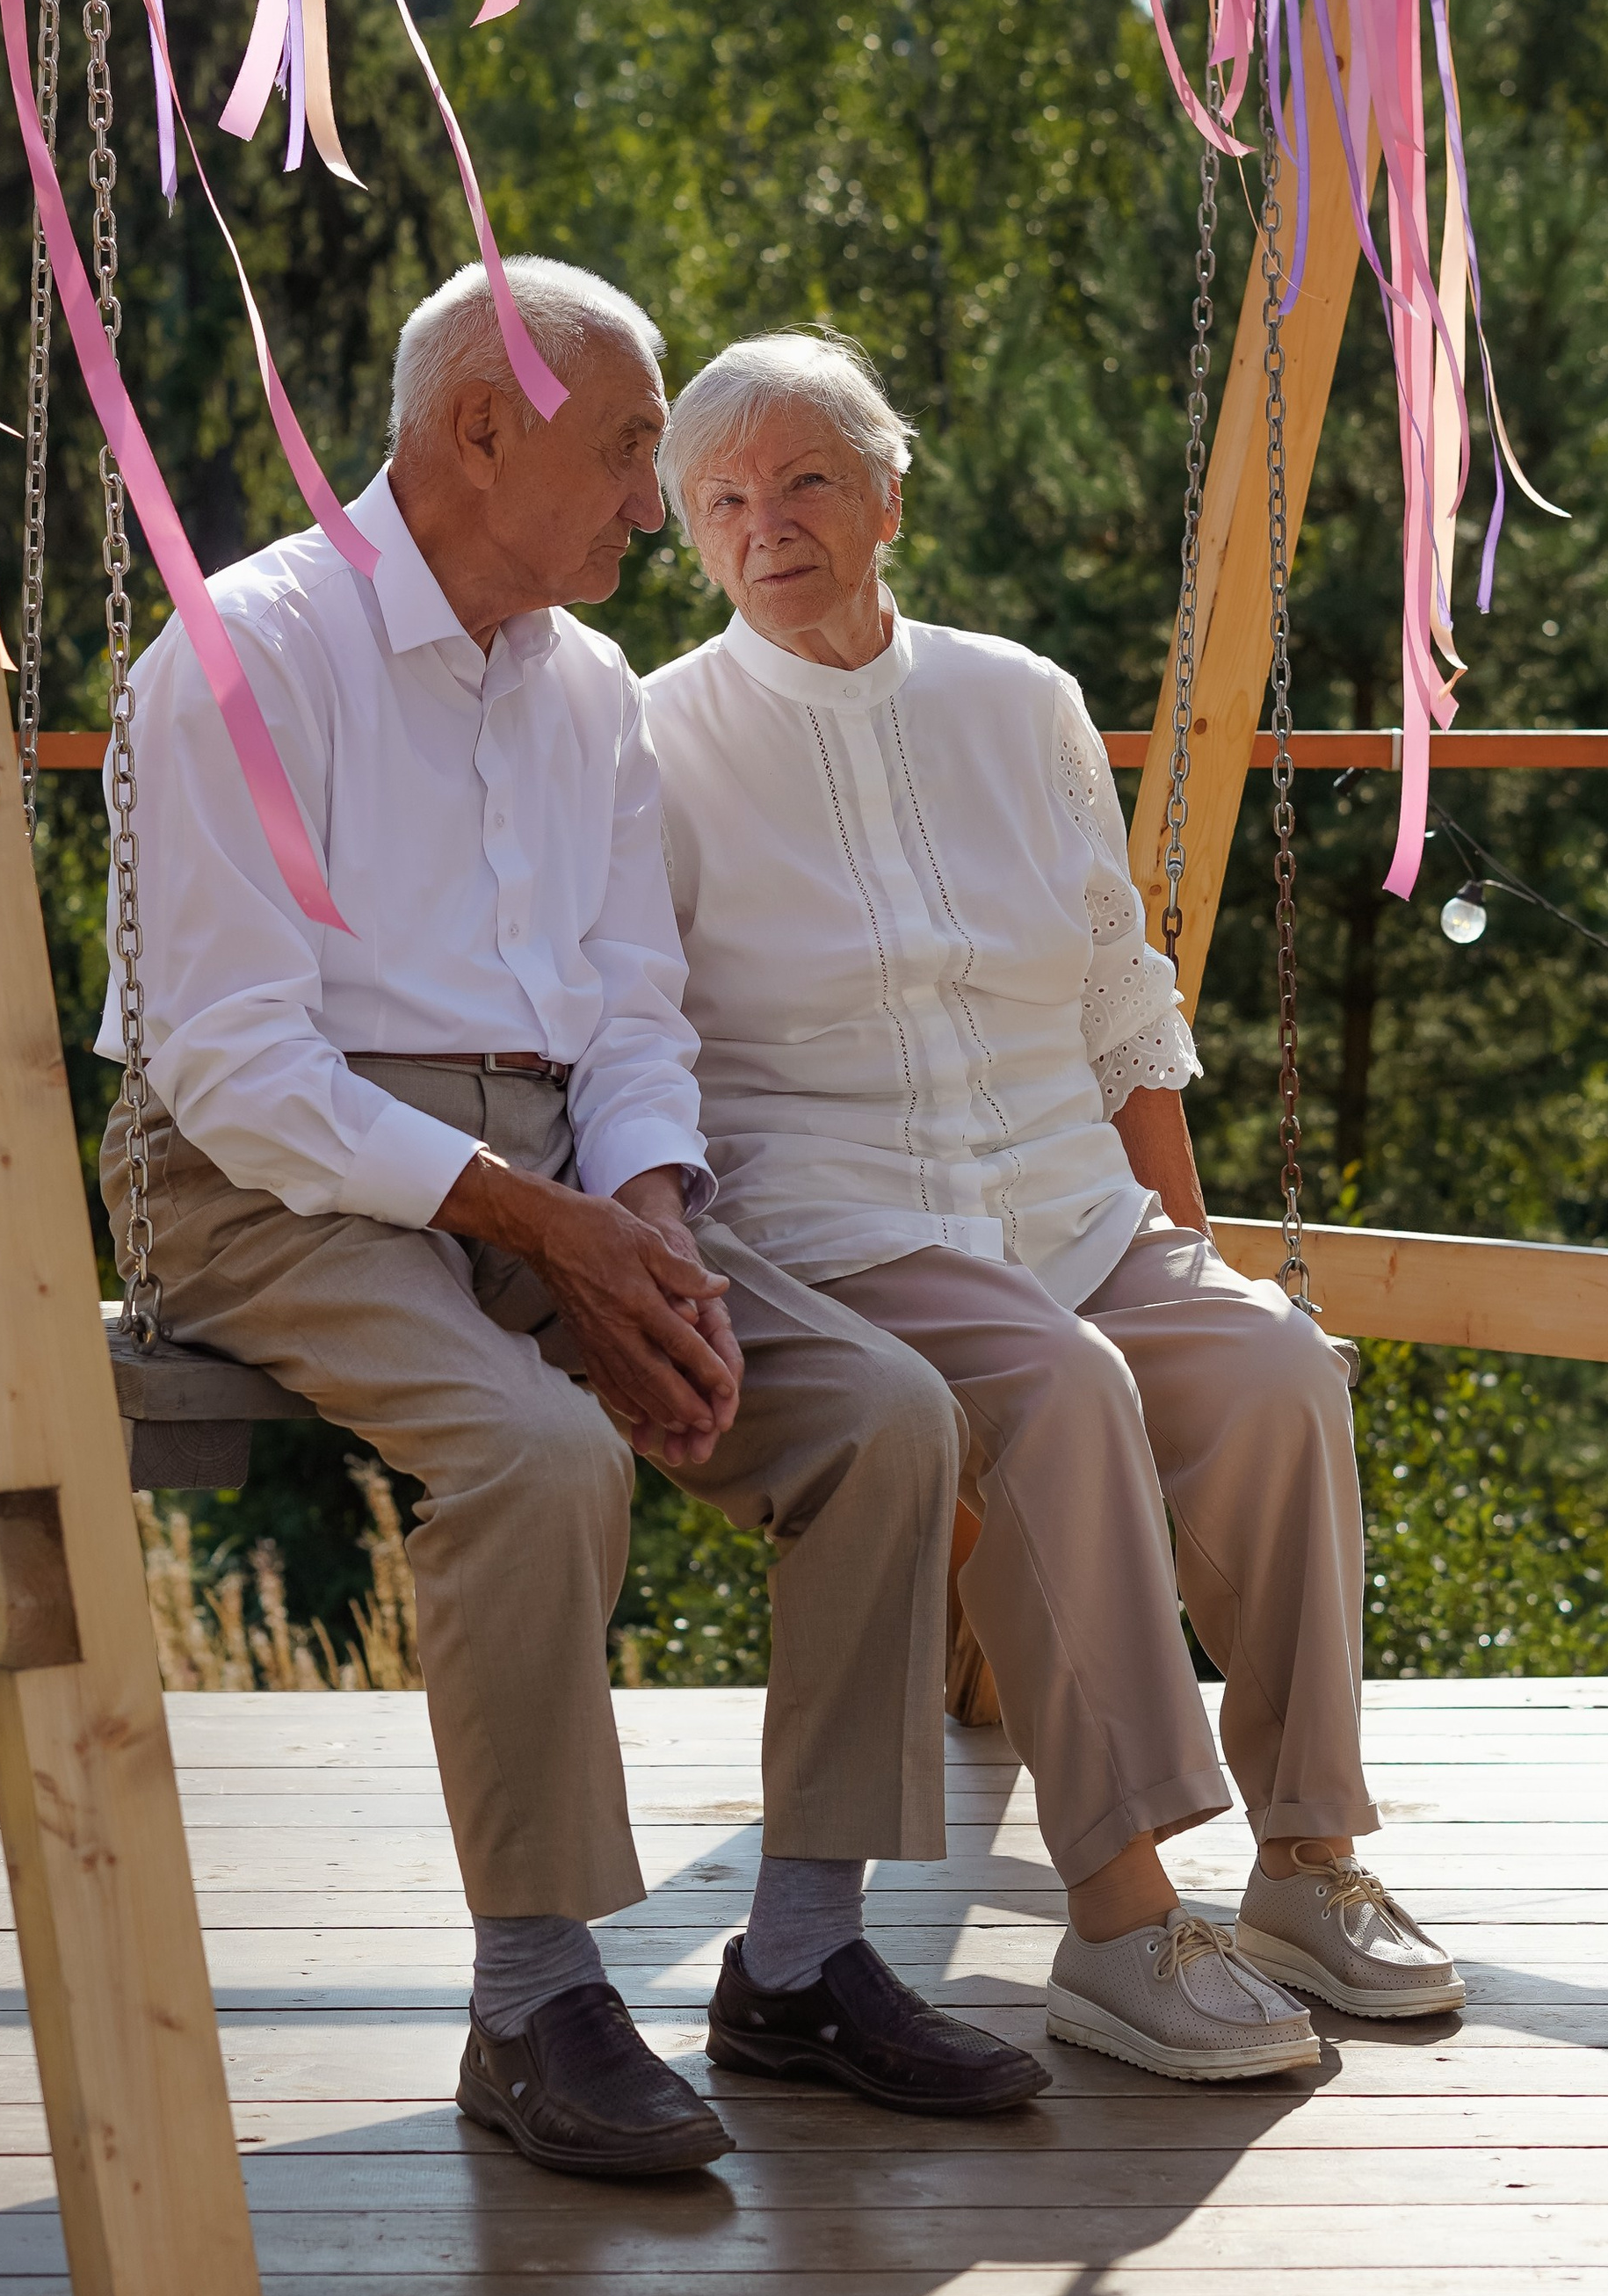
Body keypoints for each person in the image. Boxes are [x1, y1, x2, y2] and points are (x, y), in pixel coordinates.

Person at [96, 262, 1050, 2182]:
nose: (651, 501)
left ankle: (796, 1963)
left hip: (556, 1178)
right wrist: (540, 1231)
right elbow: (233, 1064)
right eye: (626, 451)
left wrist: (647, 1223)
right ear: (475, 431)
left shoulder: (588, 686)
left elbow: (630, 1011)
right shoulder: (239, 654)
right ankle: (531, 1998)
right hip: (269, 1179)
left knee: (883, 1414)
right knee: (538, 1458)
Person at [641, 330, 1464, 2084]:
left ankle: (1307, 1861)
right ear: (691, 540)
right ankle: (1116, 1920)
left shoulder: (1015, 701)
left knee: (1272, 1372)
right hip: (844, 1219)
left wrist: (1185, 1254)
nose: (762, 523)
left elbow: (1116, 1000)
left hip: (1066, 1200)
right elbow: (632, 1040)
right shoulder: (657, 744)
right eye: (718, 501)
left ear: (883, 490)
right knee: (1056, 1390)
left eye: (799, 479)